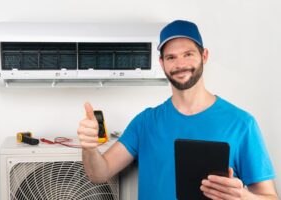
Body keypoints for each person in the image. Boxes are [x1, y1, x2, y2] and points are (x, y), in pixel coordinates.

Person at [78, 20, 278, 199]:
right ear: (162, 63)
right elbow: (99, 174)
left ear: (204, 55)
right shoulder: (146, 122)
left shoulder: (242, 123)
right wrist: (89, 148)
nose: (180, 64)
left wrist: (242, 197)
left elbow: (269, 197)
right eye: (171, 57)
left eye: (188, 54)